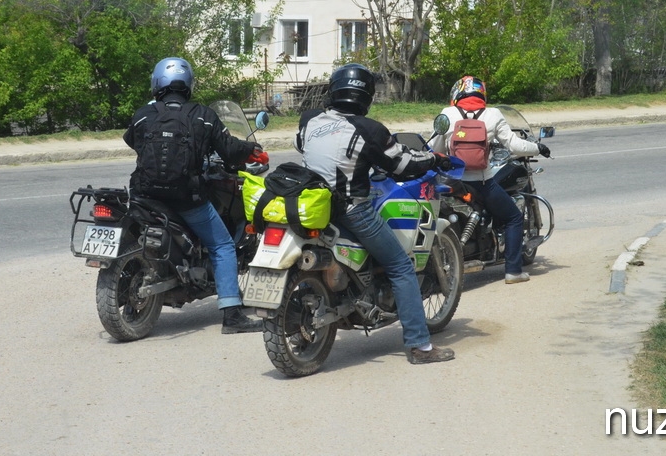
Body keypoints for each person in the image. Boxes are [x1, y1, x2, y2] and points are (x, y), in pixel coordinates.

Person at [295, 63, 456, 365]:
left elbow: (300, 144)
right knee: (399, 266)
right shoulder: (369, 129)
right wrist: (435, 159)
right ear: (366, 95)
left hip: (313, 205)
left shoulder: (310, 119)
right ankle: (421, 347)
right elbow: (402, 165)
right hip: (350, 209)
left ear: (334, 90)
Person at [124, 57, 269, 334]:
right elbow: (228, 148)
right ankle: (232, 316)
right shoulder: (203, 115)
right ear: (188, 83)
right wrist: (251, 150)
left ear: (157, 83)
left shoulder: (143, 114)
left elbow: (132, 141)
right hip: (185, 199)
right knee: (222, 245)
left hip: (145, 195)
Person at [429, 75, 551, 284]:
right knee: (513, 217)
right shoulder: (492, 114)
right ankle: (513, 271)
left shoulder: (447, 114)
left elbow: (434, 148)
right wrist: (538, 147)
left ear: (457, 93)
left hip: (452, 181)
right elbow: (514, 145)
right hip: (482, 183)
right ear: (481, 93)